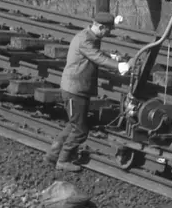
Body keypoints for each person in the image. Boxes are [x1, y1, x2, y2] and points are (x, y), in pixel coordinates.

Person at [44, 12, 131, 172]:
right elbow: (95, 56)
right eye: (107, 30)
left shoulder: (89, 36)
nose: (109, 33)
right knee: (81, 129)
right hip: (75, 89)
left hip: (76, 88)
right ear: (99, 26)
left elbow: (94, 53)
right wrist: (117, 66)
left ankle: (53, 154)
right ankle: (63, 160)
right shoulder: (85, 39)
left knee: (74, 124)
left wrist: (112, 56)